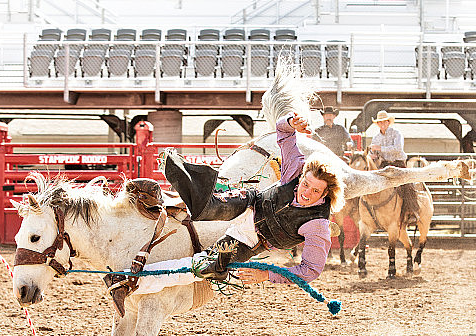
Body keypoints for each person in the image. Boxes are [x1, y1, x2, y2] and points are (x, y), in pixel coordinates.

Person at [103, 111, 345, 315]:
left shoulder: (317, 226)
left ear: (325, 193)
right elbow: (284, 132)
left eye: (315, 191)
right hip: (251, 203)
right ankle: (182, 171)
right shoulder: (295, 169)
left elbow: (310, 270)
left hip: (252, 239)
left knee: (203, 266)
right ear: (302, 176)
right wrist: (290, 121)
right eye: (306, 184)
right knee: (211, 206)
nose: (306, 192)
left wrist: (266, 275)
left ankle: (128, 281)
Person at [369, 110, 419, 222]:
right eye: (380, 122)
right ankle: (373, 213)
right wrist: (373, 155)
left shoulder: (397, 133)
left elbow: (398, 149)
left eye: (384, 122)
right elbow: (375, 154)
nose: (382, 124)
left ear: (388, 122)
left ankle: (412, 211)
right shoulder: (376, 138)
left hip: (398, 163)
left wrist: (379, 148)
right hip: (384, 164)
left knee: (407, 185)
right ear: (378, 124)